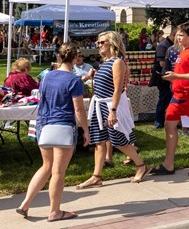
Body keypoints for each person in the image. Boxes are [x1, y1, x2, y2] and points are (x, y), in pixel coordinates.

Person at [16, 43, 90, 221]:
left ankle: (25, 203)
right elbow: (79, 109)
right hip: (63, 126)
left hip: (45, 126)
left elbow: (42, 101)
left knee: (46, 166)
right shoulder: (74, 81)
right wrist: (86, 131)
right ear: (74, 59)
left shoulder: (46, 77)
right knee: (58, 171)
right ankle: (55, 211)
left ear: (59, 57)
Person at [77, 31, 149, 189]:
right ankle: (96, 176)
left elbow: (118, 90)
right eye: (98, 43)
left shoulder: (117, 62)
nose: (99, 45)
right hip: (99, 106)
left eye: (102, 42)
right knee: (99, 141)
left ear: (113, 43)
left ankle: (141, 165)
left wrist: (113, 110)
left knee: (118, 141)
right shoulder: (104, 63)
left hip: (110, 106)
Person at [150, 21, 189, 177]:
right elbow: (186, 74)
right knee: (169, 124)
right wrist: (174, 79)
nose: (178, 37)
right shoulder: (182, 52)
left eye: (182, 35)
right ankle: (168, 164)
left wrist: (176, 76)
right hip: (178, 96)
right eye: (177, 34)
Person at [151, 26, 176, 129]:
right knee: (163, 99)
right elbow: (162, 64)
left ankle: (165, 120)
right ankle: (158, 122)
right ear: (173, 35)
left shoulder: (170, 45)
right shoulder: (163, 46)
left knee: (167, 99)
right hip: (162, 78)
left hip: (168, 77)